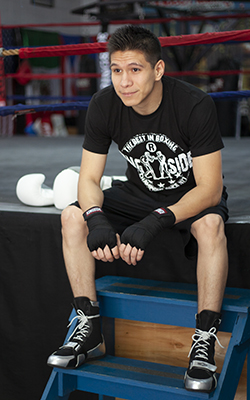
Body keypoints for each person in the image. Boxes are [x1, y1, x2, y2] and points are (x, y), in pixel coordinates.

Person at [47, 25, 228, 393]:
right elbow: (89, 180)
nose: (124, 82)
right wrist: (94, 216)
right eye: (116, 70)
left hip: (190, 196)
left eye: (135, 69)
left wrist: (155, 221)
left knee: (210, 227)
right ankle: (89, 326)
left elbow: (211, 188)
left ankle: (204, 341)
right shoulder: (104, 104)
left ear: (158, 70)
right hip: (136, 193)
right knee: (72, 217)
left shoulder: (194, 104)